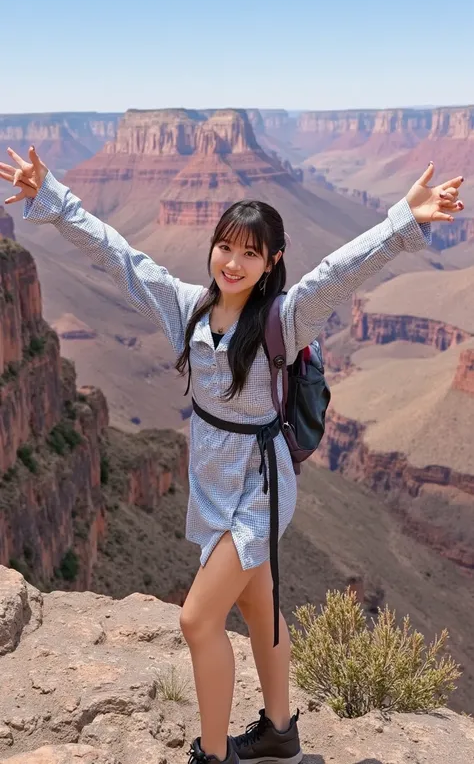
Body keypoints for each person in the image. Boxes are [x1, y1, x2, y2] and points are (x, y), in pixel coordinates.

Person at [0, 146, 464, 764]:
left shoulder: (285, 319)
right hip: (212, 486)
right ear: (213, 246)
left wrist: (402, 221)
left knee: (196, 621)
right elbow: (118, 256)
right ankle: (280, 732)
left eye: (251, 252)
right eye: (226, 246)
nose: (234, 262)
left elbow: (337, 272)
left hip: (260, 491)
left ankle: (214, 756)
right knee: (258, 602)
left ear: (272, 260)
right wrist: (51, 197)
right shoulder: (187, 308)